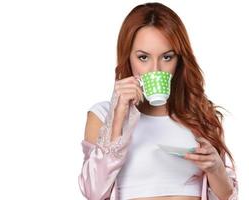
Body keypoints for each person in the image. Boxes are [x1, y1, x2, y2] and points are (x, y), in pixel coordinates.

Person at [78, 2, 238, 200]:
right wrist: (118, 117)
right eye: (143, 57)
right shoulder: (102, 115)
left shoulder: (201, 115)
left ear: (180, 60)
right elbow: (93, 193)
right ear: (127, 57)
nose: (156, 70)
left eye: (167, 57)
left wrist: (216, 169)